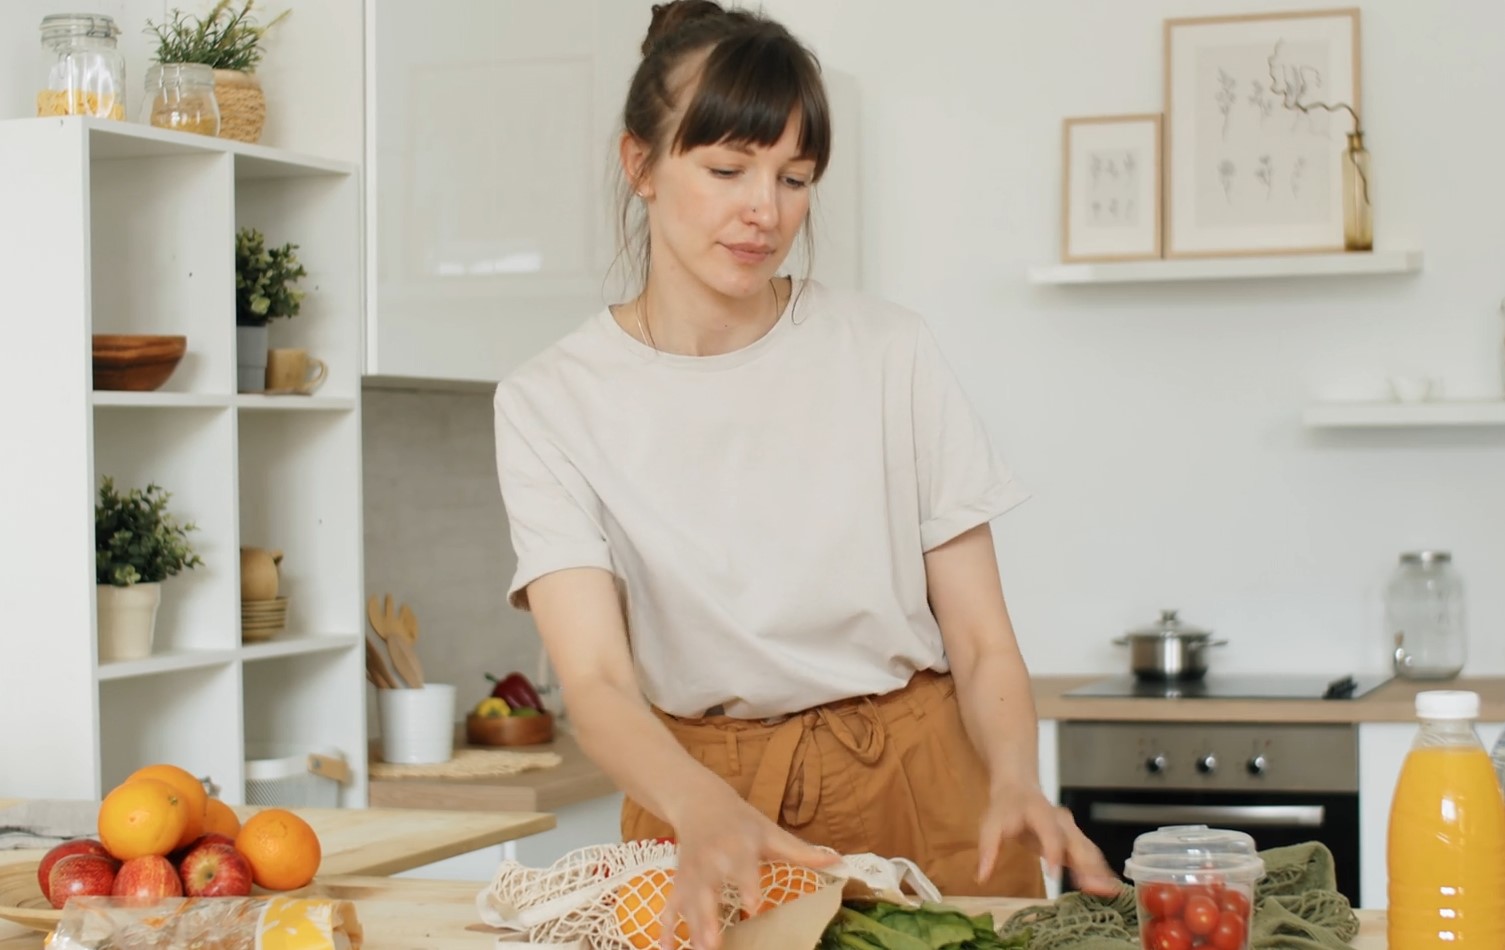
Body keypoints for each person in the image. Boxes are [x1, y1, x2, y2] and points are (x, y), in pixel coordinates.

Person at [492, 2, 1118, 946]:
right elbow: (597, 682)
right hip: (696, 800)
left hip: (921, 782)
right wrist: (699, 806)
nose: (765, 211)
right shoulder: (550, 400)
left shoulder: (887, 352)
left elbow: (982, 640)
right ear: (640, 166)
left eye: (793, 178)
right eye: (727, 169)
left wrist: (1016, 778)